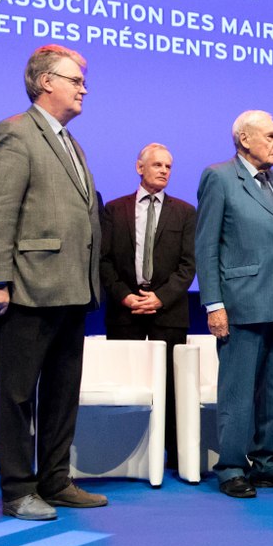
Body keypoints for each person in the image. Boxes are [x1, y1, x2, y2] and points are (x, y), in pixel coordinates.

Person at [0, 44, 105, 521]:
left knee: (62, 393)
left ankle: (55, 480)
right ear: (46, 81)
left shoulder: (71, 141)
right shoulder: (14, 133)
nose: (83, 88)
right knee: (17, 394)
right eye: (75, 79)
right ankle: (17, 490)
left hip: (72, 289)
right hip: (28, 289)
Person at [196, 110, 273, 499]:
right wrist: (213, 304)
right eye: (271, 136)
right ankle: (230, 468)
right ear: (245, 139)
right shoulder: (219, 177)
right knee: (238, 392)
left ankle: (269, 464)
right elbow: (206, 246)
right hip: (240, 302)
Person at [100, 142, 196, 470]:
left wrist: (161, 297)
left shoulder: (185, 212)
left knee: (170, 386)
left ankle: (169, 452)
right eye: (157, 165)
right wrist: (125, 296)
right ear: (139, 168)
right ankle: (121, 449)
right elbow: (104, 261)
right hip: (124, 311)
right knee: (124, 385)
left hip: (167, 313)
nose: (164, 171)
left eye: (169, 166)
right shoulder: (114, 210)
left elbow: (188, 264)